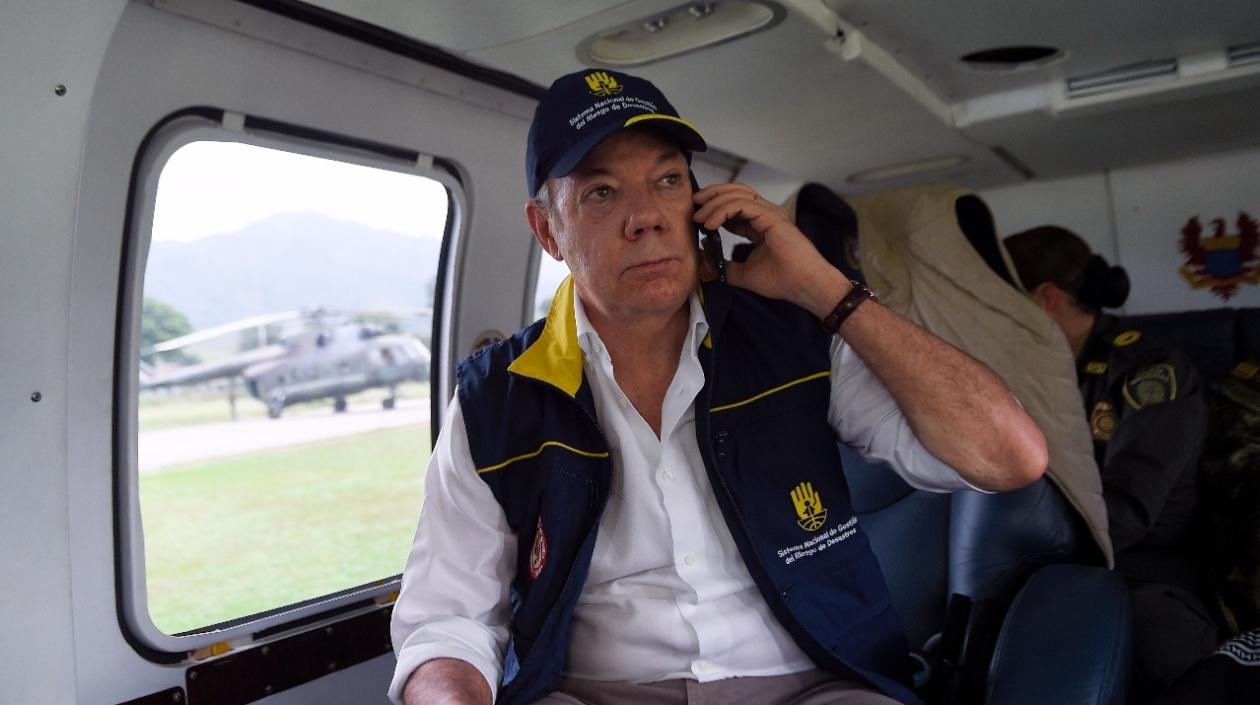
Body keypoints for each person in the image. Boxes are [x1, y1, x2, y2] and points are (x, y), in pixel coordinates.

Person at [390, 69, 1047, 705]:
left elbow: (1009, 455)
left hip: (816, 682)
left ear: (698, 209)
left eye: (669, 179)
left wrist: (823, 289)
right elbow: (446, 619)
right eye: (601, 192)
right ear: (547, 231)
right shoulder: (496, 399)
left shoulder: (791, 342)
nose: (646, 216)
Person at [1004, 225, 1219, 698]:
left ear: (1045, 297)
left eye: (1004, 299)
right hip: (1058, 558)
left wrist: (1022, 557)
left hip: (1146, 569)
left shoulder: (1147, 370)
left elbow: (1128, 511)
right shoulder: (1033, 373)